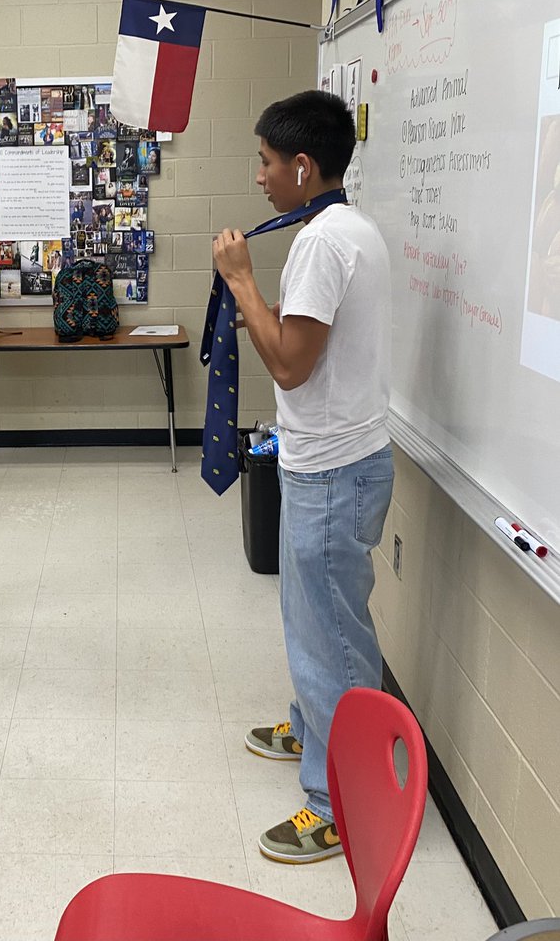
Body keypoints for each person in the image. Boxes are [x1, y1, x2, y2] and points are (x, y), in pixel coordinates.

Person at [211, 91, 392, 864]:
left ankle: (341, 804)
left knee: (331, 641)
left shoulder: (322, 244)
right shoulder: (348, 227)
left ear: (303, 166)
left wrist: (242, 283)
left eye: (266, 162)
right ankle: (316, 729)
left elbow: (289, 365)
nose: (259, 176)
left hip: (333, 472)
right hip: (333, 460)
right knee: (313, 620)